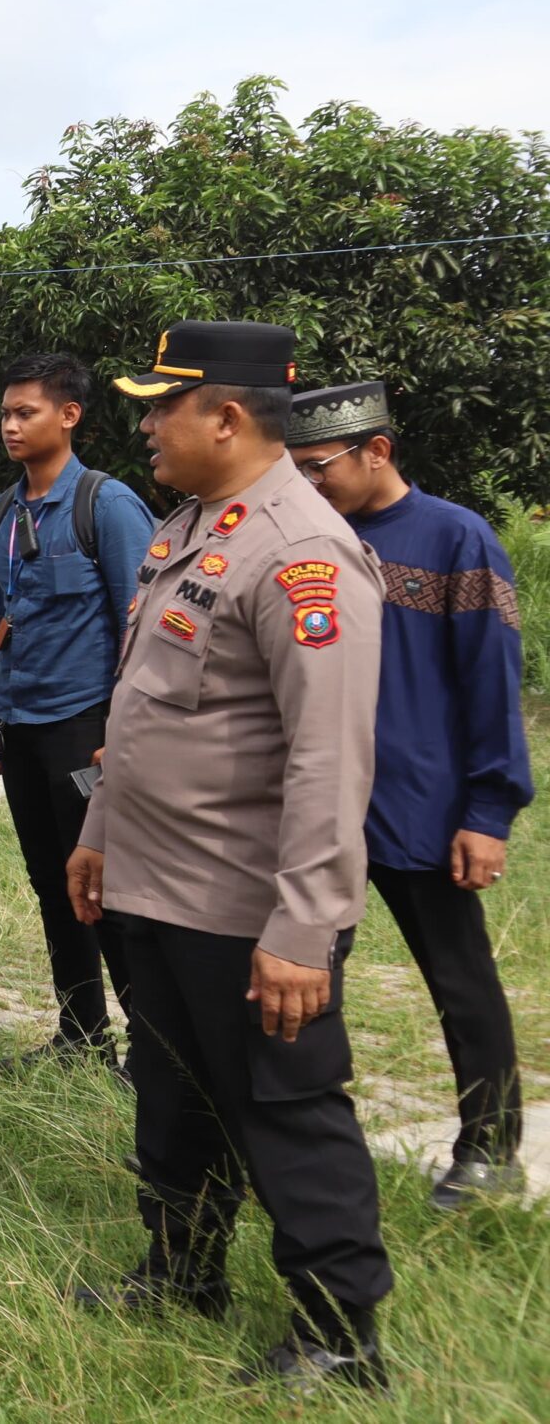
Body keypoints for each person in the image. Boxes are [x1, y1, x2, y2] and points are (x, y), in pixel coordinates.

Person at [66, 322, 392, 1396]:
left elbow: (327, 758)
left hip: (248, 908)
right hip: (156, 891)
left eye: (161, 406)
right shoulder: (192, 525)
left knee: (287, 1113)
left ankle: (339, 1332)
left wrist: (304, 928)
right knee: (172, 1098)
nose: (146, 423)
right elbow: (144, 706)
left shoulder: (301, 551)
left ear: (226, 415)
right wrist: (99, 831)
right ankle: (180, 1268)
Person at [290, 380, 531, 1211]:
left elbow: (490, 684)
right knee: (306, 973)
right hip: (322, 806)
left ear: (378, 451)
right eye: (296, 469)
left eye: (319, 468)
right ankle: (310, 1145)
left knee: (458, 977)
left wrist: (487, 812)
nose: (309, 485)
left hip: (421, 801)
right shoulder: (306, 541)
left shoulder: (455, 538)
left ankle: (490, 1146)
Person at [0, 352, 156, 1072]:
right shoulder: (6, 510)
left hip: (84, 731)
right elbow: (2, 622)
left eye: (26, 412)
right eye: (5, 414)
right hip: (23, 732)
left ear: (69, 415)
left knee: (106, 889)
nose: (11, 426)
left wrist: (122, 738)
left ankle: (154, 1044)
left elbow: (143, 628)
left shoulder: (106, 506)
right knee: (53, 887)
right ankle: (81, 1034)